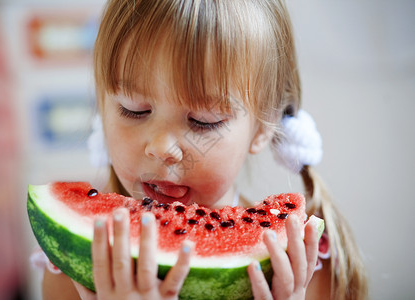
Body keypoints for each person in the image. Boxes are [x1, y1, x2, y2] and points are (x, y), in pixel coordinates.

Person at [38, 0, 368, 299]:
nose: (162, 148)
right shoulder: (70, 270)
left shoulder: (305, 268)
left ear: (263, 126)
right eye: (133, 109)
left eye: (203, 121)